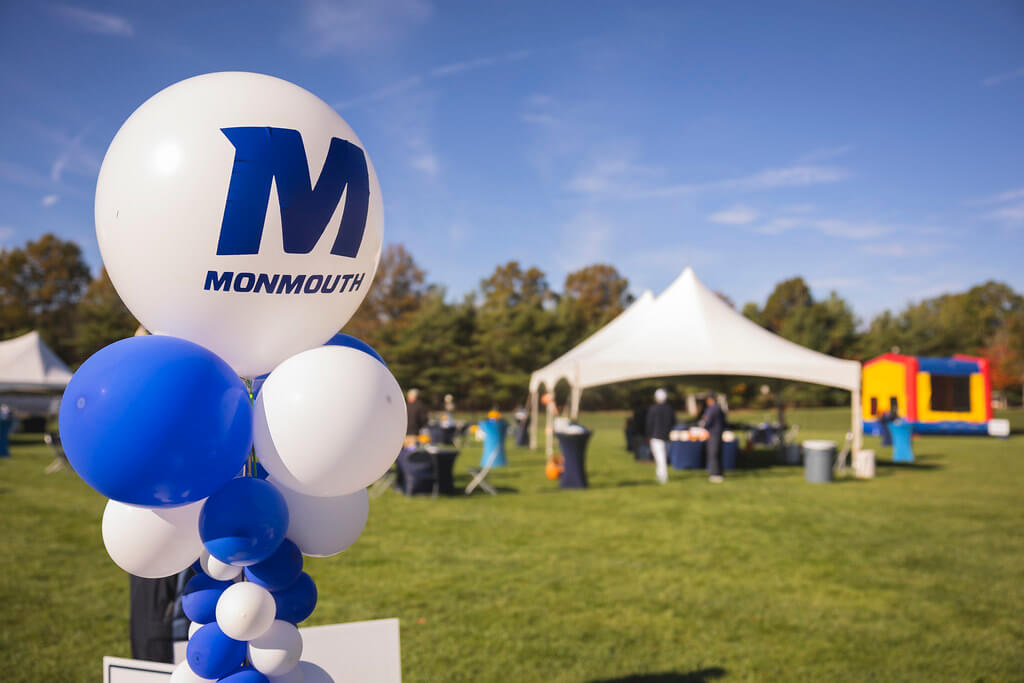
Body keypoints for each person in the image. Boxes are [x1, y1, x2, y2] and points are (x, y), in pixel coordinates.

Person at [645, 388, 675, 484]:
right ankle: (660, 475)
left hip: (656, 436)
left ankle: (663, 477)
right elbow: (673, 422)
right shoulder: (670, 409)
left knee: (660, 458)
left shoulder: (653, 409)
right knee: (662, 457)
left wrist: (648, 435)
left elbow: (649, 423)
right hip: (666, 436)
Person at [700, 394, 726, 483]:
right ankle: (719, 472)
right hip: (718, 432)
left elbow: (707, 421)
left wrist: (704, 420)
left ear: (710, 399)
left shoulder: (712, 408)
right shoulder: (719, 408)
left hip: (713, 433)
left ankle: (715, 474)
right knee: (717, 453)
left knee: (713, 453)